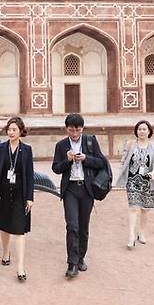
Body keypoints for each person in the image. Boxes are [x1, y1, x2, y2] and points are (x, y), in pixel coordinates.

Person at [52, 113, 106, 279]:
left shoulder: (90, 141)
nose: (74, 133)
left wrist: (86, 158)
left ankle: (81, 256)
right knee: (72, 226)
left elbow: (101, 162)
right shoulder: (61, 145)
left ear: (82, 129)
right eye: (71, 130)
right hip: (70, 190)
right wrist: (67, 160)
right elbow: (56, 168)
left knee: (83, 227)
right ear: (66, 129)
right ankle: (72, 263)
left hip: (87, 189)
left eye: (77, 130)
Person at [0, 117, 34, 281]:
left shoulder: (27, 150)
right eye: (9, 129)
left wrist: (30, 197)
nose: (11, 132)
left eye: (14, 129)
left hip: (20, 194)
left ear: (21, 131)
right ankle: (6, 251)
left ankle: (21, 266)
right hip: (3, 192)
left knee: (19, 229)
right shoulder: (1, 148)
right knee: (4, 226)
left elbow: (30, 175)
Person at [115, 120, 154, 249]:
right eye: (139, 129)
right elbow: (124, 160)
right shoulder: (130, 144)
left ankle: (142, 232)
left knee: (145, 209)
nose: (141, 131)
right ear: (136, 131)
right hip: (132, 180)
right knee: (133, 207)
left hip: (148, 180)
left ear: (149, 131)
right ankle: (131, 236)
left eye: (144, 129)